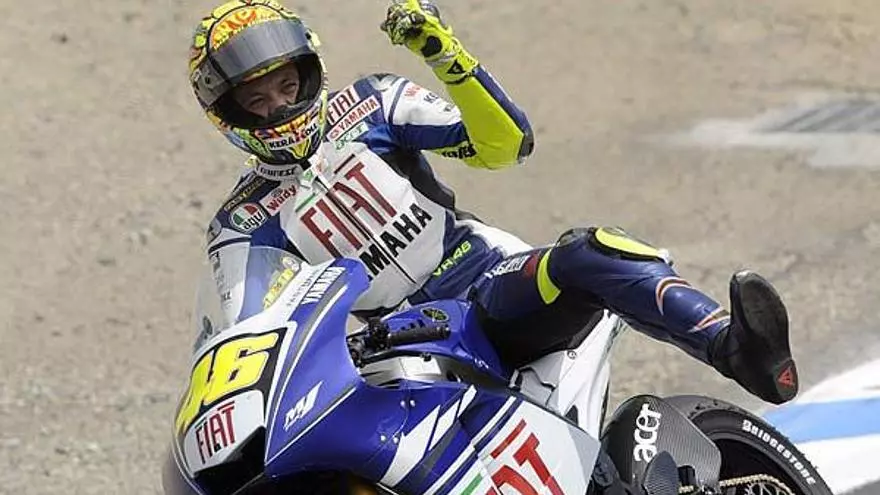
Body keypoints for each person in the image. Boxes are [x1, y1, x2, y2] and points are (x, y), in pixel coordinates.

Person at [190, 0, 798, 411]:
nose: (280, 106)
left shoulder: (374, 104)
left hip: (489, 287)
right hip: (395, 349)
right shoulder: (242, 224)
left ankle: (733, 346)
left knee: (591, 252)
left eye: (287, 85)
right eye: (258, 99)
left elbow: (506, 145)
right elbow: (241, 342)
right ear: (229, 113)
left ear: (311, 72)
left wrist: (447, 58)